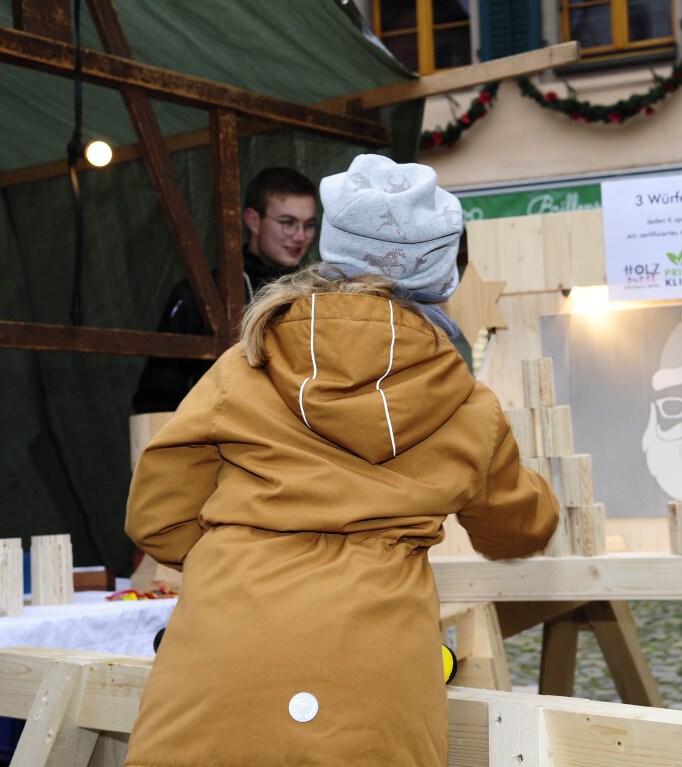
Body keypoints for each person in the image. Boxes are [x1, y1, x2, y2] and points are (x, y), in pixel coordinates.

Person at [122, 154, 560, 767]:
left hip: (225, 644)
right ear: (440, 276)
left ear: (333, 249)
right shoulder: (466, 402)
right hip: (376, 664)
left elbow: (156, 517)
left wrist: (241, 547)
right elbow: (520, 527)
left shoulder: (243, 366)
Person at [130, 166, 317, 414]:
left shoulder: (316, 293)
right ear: (253, 220)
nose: (300, 236)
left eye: (309, 225)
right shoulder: (202, 295)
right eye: (287, 223)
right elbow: (156, 397)